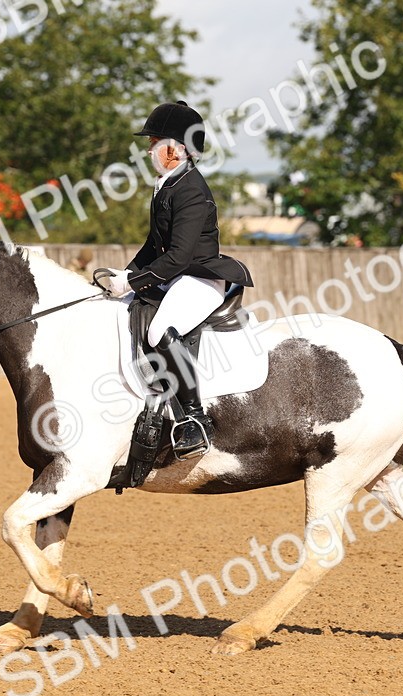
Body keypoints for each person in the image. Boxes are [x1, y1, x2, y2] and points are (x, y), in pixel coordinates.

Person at [104, 100, 252, 459]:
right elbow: (153, 245)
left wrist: (134, 282)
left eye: (154, 141)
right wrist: (124, 275)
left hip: (201, 277)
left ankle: (195, 419)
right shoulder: (167, 184)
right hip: (176, 273)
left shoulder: (191, 190)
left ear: (176, 148)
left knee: (159, 330)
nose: (148, 148)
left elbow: (179, 257)